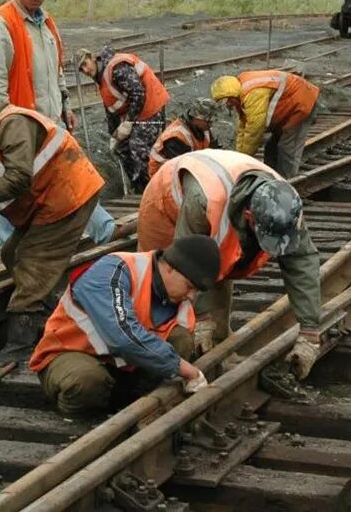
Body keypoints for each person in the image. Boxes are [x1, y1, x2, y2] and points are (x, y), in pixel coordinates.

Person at [0, 86, 104, 353]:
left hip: (68, 192)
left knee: (31, 265)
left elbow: (19, 176)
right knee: (11, 253)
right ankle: (52, 307)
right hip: (43, 201)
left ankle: (20, 341)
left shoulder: (11, 123)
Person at [137, 149, 322, 379]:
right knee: (159, 286)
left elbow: (301, 261)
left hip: (216, 198)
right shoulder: (205, 200)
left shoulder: (286, 206)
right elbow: (186, 264)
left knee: (221, 267)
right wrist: (202, 319)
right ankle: (150, 361)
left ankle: (214, 354)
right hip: (165, 203)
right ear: (248, 216)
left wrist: (310, 331)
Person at [0, 0, 121, 243]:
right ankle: (12, 255)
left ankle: (105, 231)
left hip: (52, 126)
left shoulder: (46, 23)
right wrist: (12, 130)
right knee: (13, 195)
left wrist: (65, 106)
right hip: (20, 129)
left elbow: (56, 71)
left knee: (75, 179)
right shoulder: (1, 25)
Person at [29, 234, 218, 416]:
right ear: (169, 268)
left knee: (181, 341)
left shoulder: (175, 297)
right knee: (87, 381)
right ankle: (78, 418)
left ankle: (132, 403)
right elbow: (121, 336)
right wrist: (187, 370)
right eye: (189, 286)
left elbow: (181, 338)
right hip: (69, 351)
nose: (191, 296)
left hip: (121, 364)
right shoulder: (113, 271)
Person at [77, 46, 169, 192]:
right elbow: (111, 108)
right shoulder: (101, 77)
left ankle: (152, 190)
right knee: (122, 148)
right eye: (81, 69)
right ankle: (139, 185)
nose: (85, 70)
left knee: (138, 148)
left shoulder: (117, 68)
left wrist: (129, 122)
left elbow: (138, 94)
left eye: (85, 64)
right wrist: (114, 134)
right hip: (137, 113)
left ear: (92, 57)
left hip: (150, 108)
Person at [210, 70, 320, 178]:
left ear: (232, 95)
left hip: (301, 103)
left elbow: (255, 130)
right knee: (271, 147)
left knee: (287, 146)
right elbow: (243, 127)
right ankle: (271, 178)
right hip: (286, 107)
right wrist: (240, 155)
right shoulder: (241, 92)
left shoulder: (253, 93)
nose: (228, 104)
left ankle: (288, 182)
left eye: (227, 100)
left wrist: (244, 158)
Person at [148, 98, 220, 178]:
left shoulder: (203, 128)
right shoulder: (177, 137)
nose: (211, 125)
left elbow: (214, 151)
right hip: (163, 176)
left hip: (187, 167)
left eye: (212, 121)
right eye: (208, 121)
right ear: (196, 118)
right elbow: (181, 170)